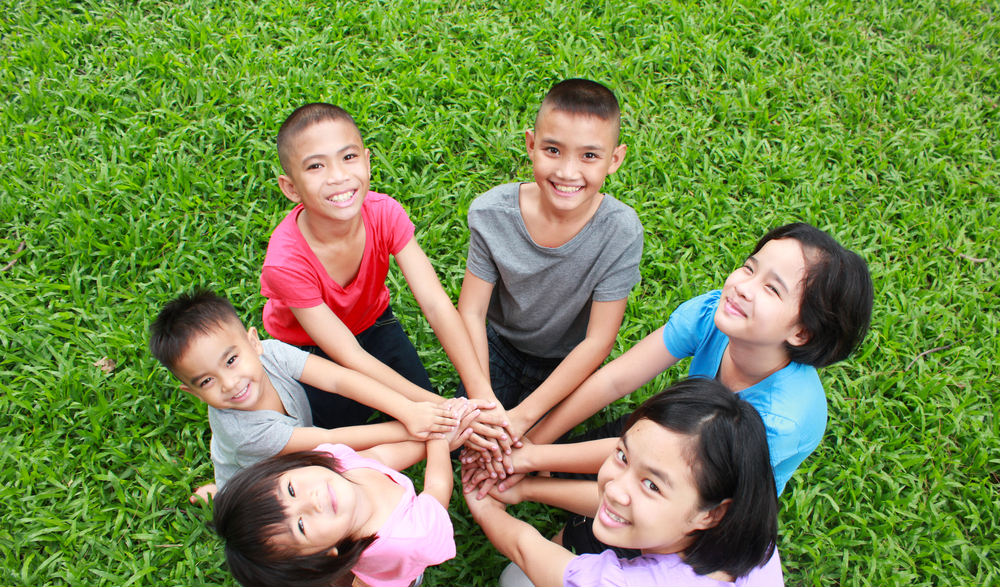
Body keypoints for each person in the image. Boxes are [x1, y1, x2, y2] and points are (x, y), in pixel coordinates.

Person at [467, 222, 873, 503]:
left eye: (771, 288)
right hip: (670, 431)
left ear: (801, 333)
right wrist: (531, 440)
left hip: (702, 491)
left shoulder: (777, 419)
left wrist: (525, 472)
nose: (742, 287)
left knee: (611, 507)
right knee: (565, 464)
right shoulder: (715, 311)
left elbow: (662, 470)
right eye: (750, 268)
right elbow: (615, 381)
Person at [444, 379, 787, 587]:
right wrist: (525, 489)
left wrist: (486, 505)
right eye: (623, 456)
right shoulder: (750, 533)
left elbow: (526, 548)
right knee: (519, 582)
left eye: (652, 485)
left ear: (711, 513)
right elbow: (625, 508)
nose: (616, 489)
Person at [261, 103, 511, 454]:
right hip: (310, 352)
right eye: (316, 166)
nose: (337, 176)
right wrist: (444, 410)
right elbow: (347, 354)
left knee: (436, 431)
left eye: (348, 157)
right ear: (291, 187)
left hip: (376, 327)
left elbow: (437, 305)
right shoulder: (286, 261)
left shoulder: (384, 213)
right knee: (328, 452)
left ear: (366, 160)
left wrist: (480, 394)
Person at [213, 401, 476, 587]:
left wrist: (435, 439)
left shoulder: (334, 465)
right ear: (323, 556)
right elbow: (437, 488)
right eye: (301, 526)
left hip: (339, 567)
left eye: (292, 490)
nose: (313, 500)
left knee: (314, 585)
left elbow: (380, 457)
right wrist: (440, 442)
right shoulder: (411, 537)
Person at [457, 78, 643, 442]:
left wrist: (524, 418)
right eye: (553, 150)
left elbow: (598, 341)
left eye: (589, 156)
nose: (567, 172)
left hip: (569, 365)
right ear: (530, 144)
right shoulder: (492, 213)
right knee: (467, 442)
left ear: (614, 159)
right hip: (499, 346)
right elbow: (471, 312)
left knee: (532, 456)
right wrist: (484, 401)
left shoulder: (621, 232)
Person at [149, 289, 472, 496]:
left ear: (253, 342)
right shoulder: (245, 432)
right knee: (342, 479)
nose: (230, 383)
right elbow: (329, 442)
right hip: (263, 492)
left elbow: (339, 380)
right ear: (191, 391)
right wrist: (420, 426)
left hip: (293, 454)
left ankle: (220, 489)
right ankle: (223, 494)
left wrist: (407, 409)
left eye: (231, 360)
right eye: (206, 381)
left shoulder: (272, 353)